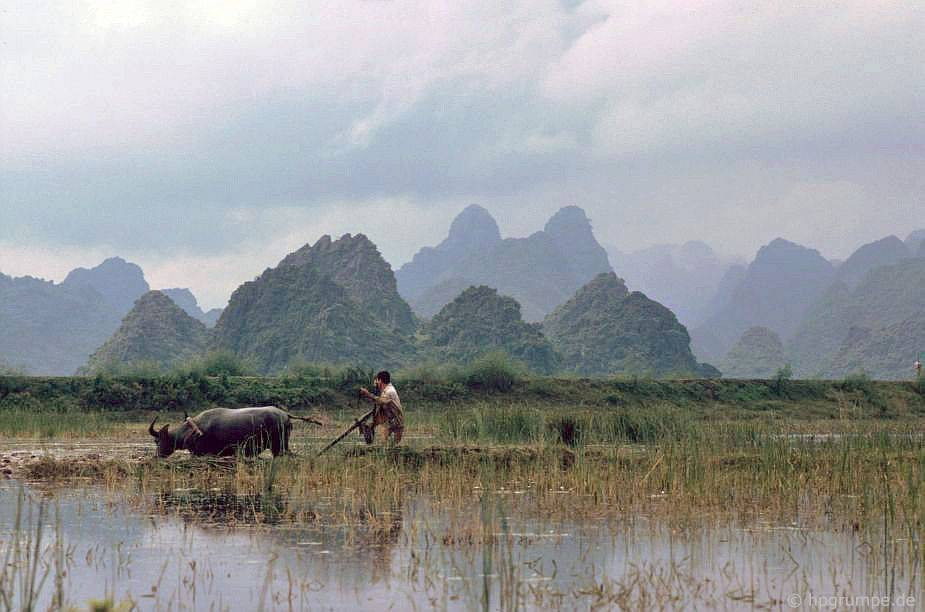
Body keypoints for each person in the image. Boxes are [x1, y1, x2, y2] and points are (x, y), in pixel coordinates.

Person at [359, 370, 404, 444]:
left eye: (377, 380)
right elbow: (379, 403)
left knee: (386, 445)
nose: (376, 382)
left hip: (395, 422)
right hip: (391, 421)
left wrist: (368, 394)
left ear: (380, 380)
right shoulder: (386, 390)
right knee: (389, 445)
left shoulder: (389, 391)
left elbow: (381, 401)